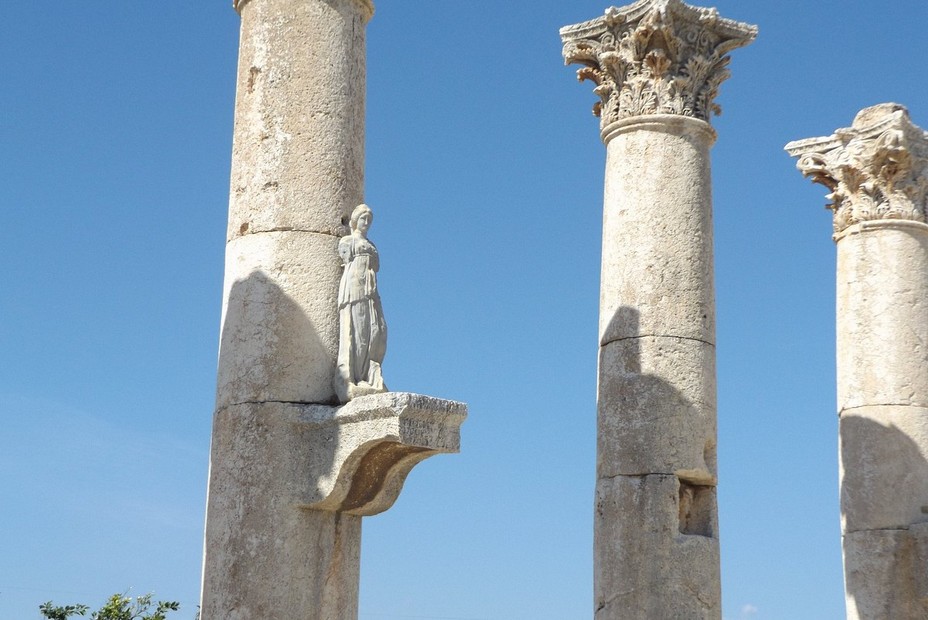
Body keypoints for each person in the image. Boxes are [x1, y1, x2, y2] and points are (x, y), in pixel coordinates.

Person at [335, 203, 387, 402]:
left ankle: (369, 375)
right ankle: (353, 376)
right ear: (355, 220)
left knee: (375, 331)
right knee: (356, 330)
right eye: (363, 219)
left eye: (369, 220)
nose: (366, 223)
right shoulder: (348, 241)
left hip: (370, 290)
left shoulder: (372, 245)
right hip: (354, 287)